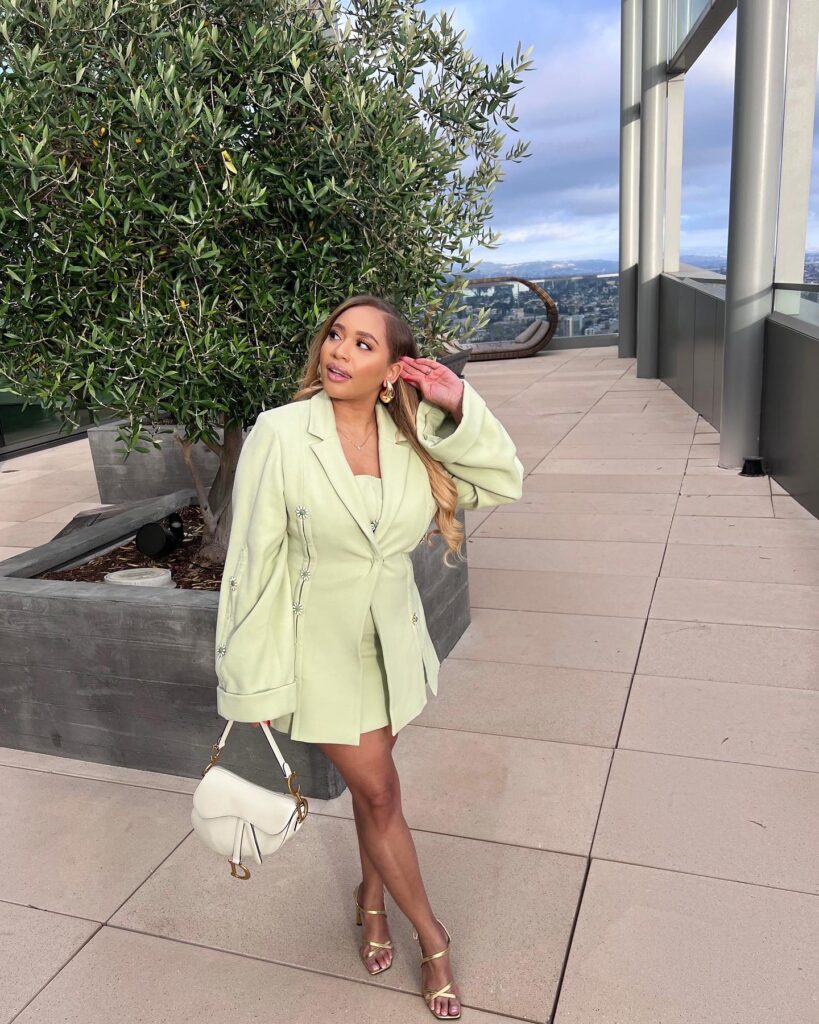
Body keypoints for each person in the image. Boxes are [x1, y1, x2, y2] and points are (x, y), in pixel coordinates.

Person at [214, 294, 523, 1019]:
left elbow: (501, 481)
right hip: (315, 648)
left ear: (391, 370)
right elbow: (251, 560)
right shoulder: (282, 432)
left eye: (361, 345)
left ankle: (372, 903)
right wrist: (250, 678)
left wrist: (454, 405)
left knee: (371, 789)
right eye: (334, 336)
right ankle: (433, 937)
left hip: (391, 646)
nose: (338, 353)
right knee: (382, 793)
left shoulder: (410, 435)